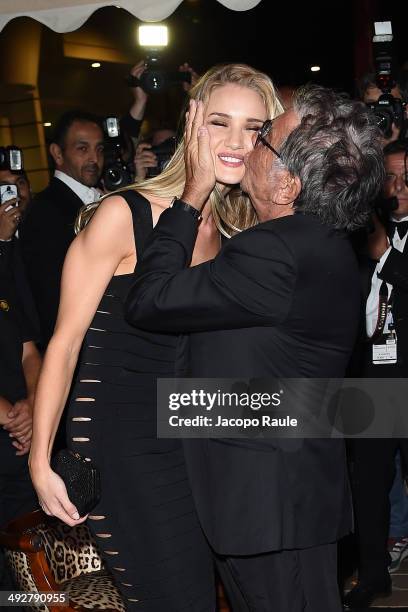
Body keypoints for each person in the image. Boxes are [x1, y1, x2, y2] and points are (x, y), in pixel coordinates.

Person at [28, 64, 283, 611]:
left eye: (255, 128)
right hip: (123, 450)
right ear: (192, 123)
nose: (237, 142)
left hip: (197, 442)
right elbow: (65, 342)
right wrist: (41, 459)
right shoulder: (126, 214)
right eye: (220, 123)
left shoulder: (240, 232)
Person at [124, 85, 385, 612]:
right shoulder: (328, 244)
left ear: (287, 183)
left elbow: (147, 301)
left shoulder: (275, 252)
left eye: (265, 137)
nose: (250, 144)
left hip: (268, 508)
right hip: (289, 500)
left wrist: (191, 196)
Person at [345, 141, 408, 609]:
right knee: (367, 483)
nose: (398, 187)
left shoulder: (382, 242)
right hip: (371, 380)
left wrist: (385, 253)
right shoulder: (356, 235)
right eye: (389, 177)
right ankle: (371, 575)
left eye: (406, 178)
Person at [19, 110, 105, 349]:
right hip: (78, 346)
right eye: (82, 148)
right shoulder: (45, 211)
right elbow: (51, 297)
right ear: (57, 153)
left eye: (99, 149)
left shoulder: (102, 198)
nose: (94, 159)